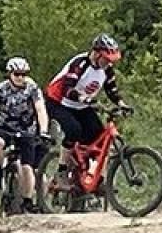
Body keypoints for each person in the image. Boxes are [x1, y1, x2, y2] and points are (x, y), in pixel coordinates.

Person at [45, 35, 125, 180]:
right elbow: (67, 89)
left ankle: (94, 177)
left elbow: (111, 89)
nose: (108, 63)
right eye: (106, 59)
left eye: (110, 61)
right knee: (73, 130)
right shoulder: (80, 64)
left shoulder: (107, 69)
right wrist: (85, 98)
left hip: (81, 106)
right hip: (58, 102)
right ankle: (62, 170)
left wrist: (121, 104)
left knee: (98, 138)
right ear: (96, 54)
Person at [0, 57, 50, 207]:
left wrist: (43, 130)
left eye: (23, 74)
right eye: (17, 74)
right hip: (5, 127)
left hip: (26, 130)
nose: (20, 77)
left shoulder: (32, 89)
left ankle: (27, 200)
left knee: (26, 166)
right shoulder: (1, 89)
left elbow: (40, 110)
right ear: (9, 74)